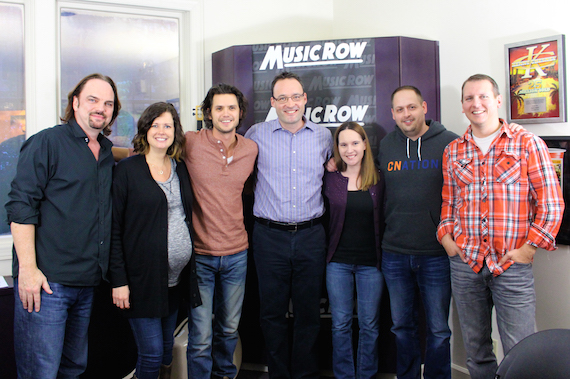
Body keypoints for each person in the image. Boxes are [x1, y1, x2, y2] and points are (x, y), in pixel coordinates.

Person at [437, 74, 564, 379]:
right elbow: (449, 201)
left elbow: (551, 203)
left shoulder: (527, 143)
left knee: (522, 350)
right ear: (463, 106)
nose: (476, 103)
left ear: (497, 101)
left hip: (512, 266)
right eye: (469, 98)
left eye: (482, 96)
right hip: (466, 264)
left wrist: (529, 248)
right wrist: (445, 236)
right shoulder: (454, 151)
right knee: (476, 349)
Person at [5, 73, 120, 378]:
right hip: (46, 284)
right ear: (75, 103)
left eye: (108, 103)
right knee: (40, 372)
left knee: (73, 369)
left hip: (87, 283)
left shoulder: (107, 152)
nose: (101, 108)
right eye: (93, 100)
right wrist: (27, 270)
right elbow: (20, 207)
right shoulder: (47, 142)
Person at [245, 71, 333, 379]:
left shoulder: (324, 137)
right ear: (273, 102)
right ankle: (279, 374)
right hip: (269, 237)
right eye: (282, 98)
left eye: (295, 96)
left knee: (309, 315)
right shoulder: (256, 134)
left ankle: (305, 375)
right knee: (271, 315)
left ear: (305, 99)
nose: (290, 103)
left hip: (311, 235)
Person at [109, 102, 201, 379]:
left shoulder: (180, 168)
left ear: (176, 132)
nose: (162, 131)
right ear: (145, 129)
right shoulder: (127, 170)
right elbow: (114, 229)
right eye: (155, 124)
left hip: (174, 281)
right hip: (141, 282)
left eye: (168, 125)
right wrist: (119, 281)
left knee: (163, 350)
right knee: (149, 353)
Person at [378, 86, 457, 379]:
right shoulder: (386, 145)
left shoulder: (450, 143)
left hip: (436, 253)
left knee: (438, 329)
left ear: (424, 107)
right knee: (401, 326)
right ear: (392, 114)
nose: (406, 114)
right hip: (395, 253)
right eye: (399, 109)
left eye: (411, 107)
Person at [184, 84, 258, 379]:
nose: (225, 113)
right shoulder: (190, 142)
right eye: (219, 108)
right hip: (200, 254)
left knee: (229, 329)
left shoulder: (250, 148)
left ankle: (225, 375)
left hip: (237, 253)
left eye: (231, 108)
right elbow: (151, 148)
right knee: (200, 337)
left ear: (240, 113)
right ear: (208, 114)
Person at [324, 121, 384, 379]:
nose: (350, 149)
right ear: (337, 148)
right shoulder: (330, 178)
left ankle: (366, 375)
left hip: (371, 264)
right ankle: (344, 375)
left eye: (355, 143)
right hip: (337, 262)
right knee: (340, 325)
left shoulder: (379, 179)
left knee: (370, 325)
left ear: (365, 145)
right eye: (344, 144)